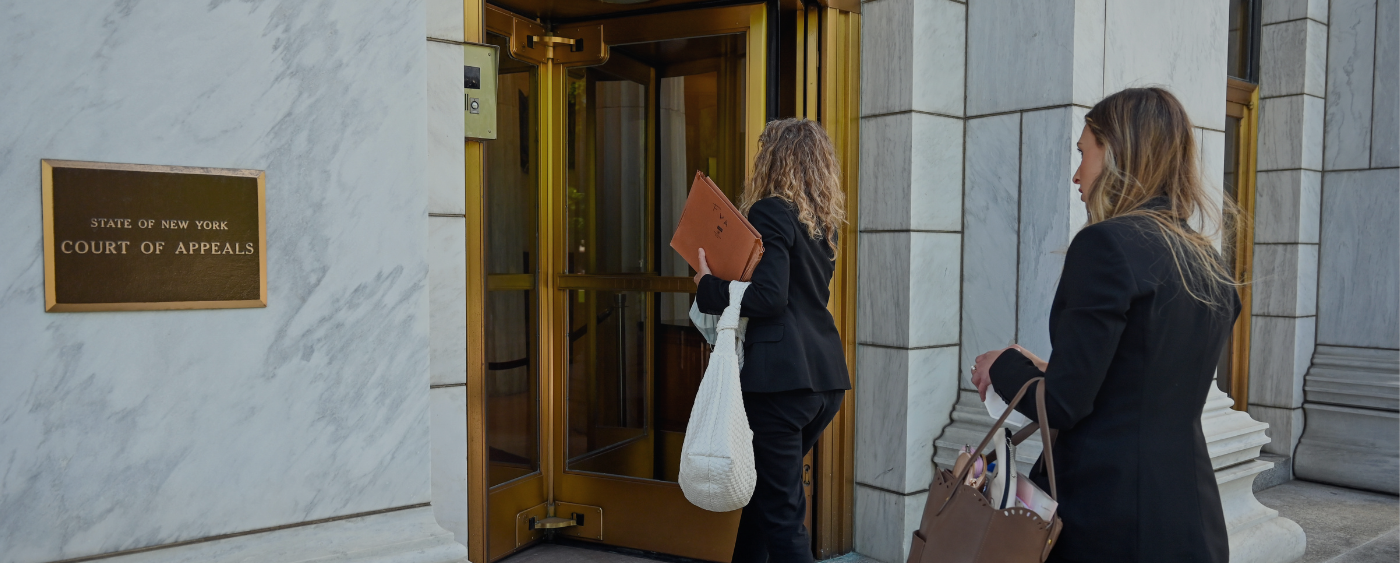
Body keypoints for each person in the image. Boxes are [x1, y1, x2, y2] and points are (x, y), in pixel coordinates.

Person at [970, 88, 1241, 563]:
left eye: (1083, 153)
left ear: (1118, 152)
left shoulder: (1106, 246)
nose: (1077, 175)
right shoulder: (1207, 259)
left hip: (1109, 514)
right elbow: (1141, 378)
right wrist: (1047, 364)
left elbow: (1064, 404)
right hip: (1188, 511)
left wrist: (1005, 365)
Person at [693, 118, 850, 563]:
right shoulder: (820, 224)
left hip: (781, 384)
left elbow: (770, 297)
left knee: (781, 514)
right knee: (766, 500)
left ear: (773, 159)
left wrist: (708, 286)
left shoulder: (771, 211)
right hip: (821, 381)